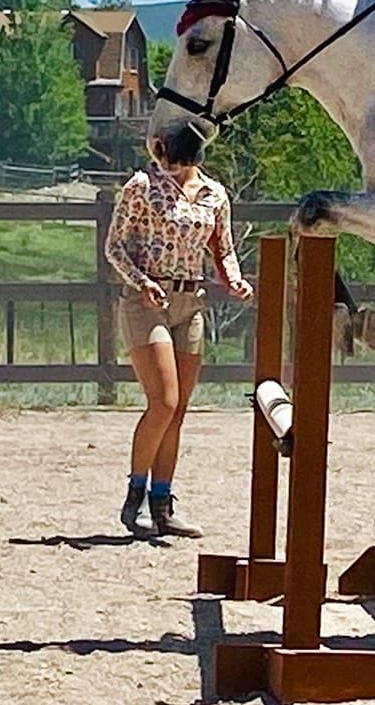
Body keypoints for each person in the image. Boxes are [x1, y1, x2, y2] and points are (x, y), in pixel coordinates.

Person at [105, 128, 253, 537]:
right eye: (162, 158)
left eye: (174, 160)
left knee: (179, 410)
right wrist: (140, 281)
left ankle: (162, 503)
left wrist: (235, 280)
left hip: (191, 301)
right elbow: (114, 246)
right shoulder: (141, 187)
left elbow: (222, 247)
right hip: (146, 299)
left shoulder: (214, 195)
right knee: (164, 402)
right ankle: (134, 496)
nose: (166, 167)